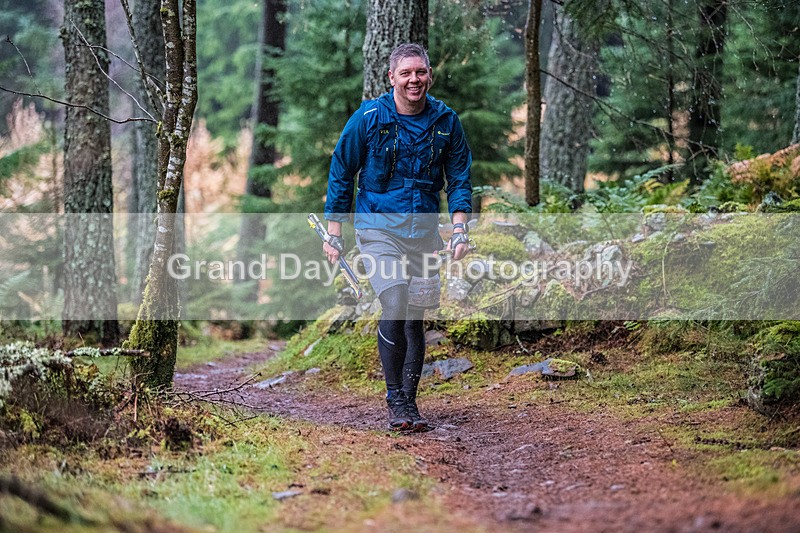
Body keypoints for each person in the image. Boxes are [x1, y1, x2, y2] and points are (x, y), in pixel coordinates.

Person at [323, 43, 473, 431]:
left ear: (429, 76)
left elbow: (459, 180)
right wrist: (334, 232)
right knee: (396, 300)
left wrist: (459, 229)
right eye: (406, 73)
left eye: (420, 72)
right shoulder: (369, 117)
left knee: (415, 318)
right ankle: (395, 402)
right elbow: (342, 170)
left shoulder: (446, 122)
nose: (414, 80)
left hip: (423, 233)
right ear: (391, 77)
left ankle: (410, 401)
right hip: (376, 228)